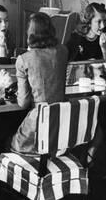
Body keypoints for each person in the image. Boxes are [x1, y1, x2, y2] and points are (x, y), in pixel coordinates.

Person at [10, 12, 68, 154]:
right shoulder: (63, 51)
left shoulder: (24, 59)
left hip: (38, 126)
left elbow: (23, 103)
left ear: (30, 33)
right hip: (61, 125)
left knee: (8, 141)